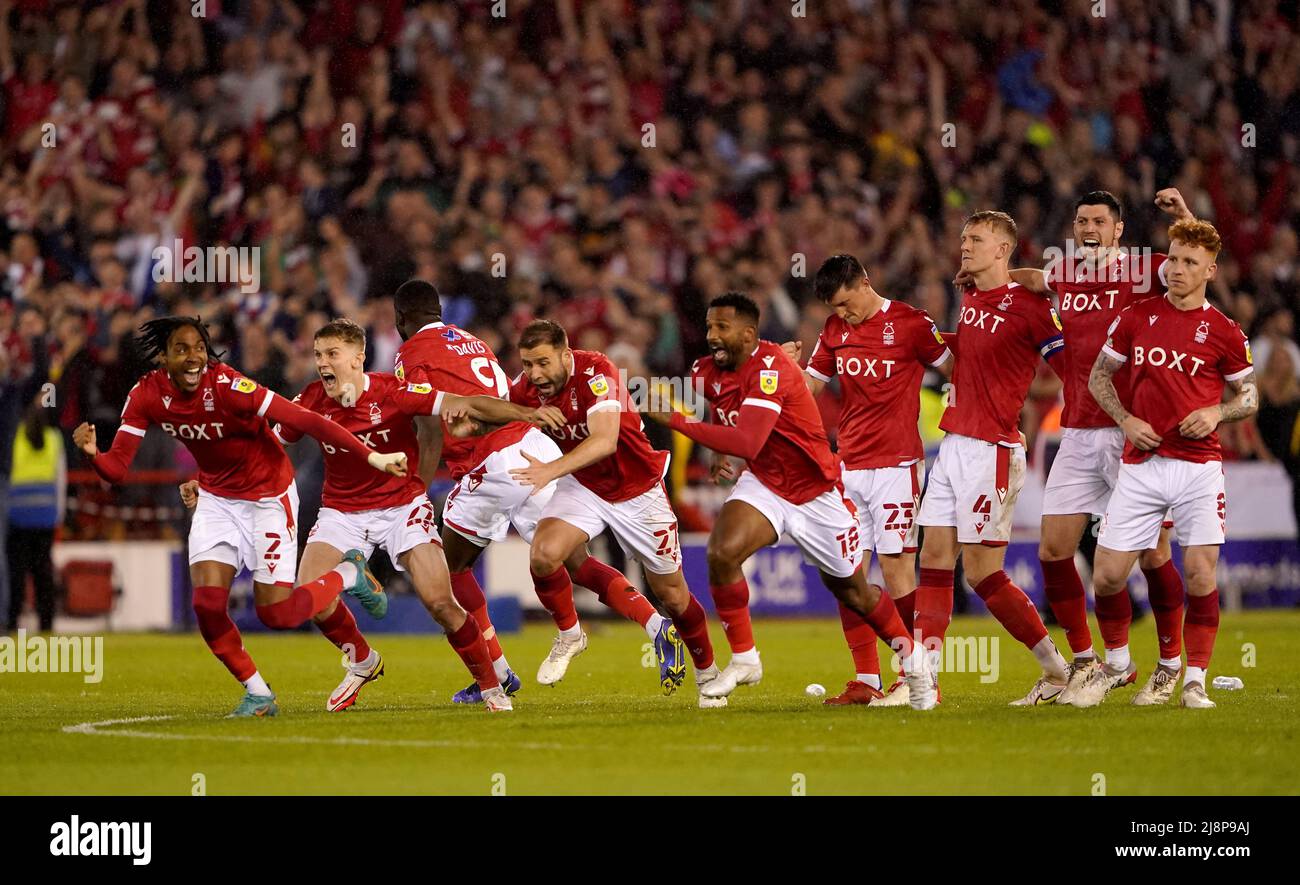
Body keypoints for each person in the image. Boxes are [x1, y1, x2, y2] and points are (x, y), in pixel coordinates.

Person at [182, 318, 550, 711]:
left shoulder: (393, 392)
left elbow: (466, 403)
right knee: (311, 598)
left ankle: (491, 687)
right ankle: (362, 659)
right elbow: (265, 446)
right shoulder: (310, 400)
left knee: (440, 602)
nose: (323, 363)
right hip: (342, 512)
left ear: (358, 358)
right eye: (318, 354)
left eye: (332, 354)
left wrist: (524, 413)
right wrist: (205, 479)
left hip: (401, 508)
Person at [73, 316, 407, 717]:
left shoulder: (229, 385)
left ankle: (351, 574)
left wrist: (372, 455)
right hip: (216, 499)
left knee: (277, 614)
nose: (195, 357)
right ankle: (259, 693)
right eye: (182, 350)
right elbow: (118, 469)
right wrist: (93, 454)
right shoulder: (145, 394)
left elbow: (307, 420)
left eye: (199, 347)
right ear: (163, 357)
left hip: (269, 497)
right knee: (207, 607)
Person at [393, 280, 682, 698]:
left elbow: (428, 430)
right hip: (533, 448)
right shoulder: (471, 341)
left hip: (491, 462)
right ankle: (656, 625)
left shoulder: (410, 354)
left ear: (401, 320)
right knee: (571, 560)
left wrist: (415, 493)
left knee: (451, 568)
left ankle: (495, 673)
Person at [646, 293, 935, 710]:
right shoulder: (705, 370)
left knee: (853, 590)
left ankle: (914, 659)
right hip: (765, 483)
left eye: (721, 328)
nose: (711, 336)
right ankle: (745, 659)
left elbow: (748, 438)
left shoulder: (771, 369)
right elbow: (722, 406)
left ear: (748, 334)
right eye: (709, 327)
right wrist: (716, 450)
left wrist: (677, 421)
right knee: (722, 552)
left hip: (815, 492)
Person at [984, 188, 1196, 704]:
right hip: (1077, 431)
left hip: (1131, 432)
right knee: (1054, 551)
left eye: (1099, 221)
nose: (1088, 229)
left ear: (1118, 229)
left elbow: (1196, 266)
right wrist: (995, 276)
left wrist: (1187, 218)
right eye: (1082, 222)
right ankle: (1088, 663)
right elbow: (1037, 280)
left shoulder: (1145, 270)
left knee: (1152, 553)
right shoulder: (1067, 272)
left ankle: (1169, 662)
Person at [1075, 219, 1257, 709]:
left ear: (1210, 271)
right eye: (1173, 259)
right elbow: (1099, 378)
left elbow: (1250, 395)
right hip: (1142, 463)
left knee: (1200, 572)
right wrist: (1127, 419)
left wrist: (1217, 410)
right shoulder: (1137, 316)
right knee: (1108, 576)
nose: (1176, 269)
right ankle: (1118, 665)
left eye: (1189, 262)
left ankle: (1192, 678)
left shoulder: (1223, 330)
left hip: (1198, 468)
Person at [503, 319, 711, 701]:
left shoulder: (597, 371)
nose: (534, 374)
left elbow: (604, 440)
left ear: (566, 355)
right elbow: (501, 410)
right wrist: (502, 415)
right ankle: (570, 635)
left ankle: (708, 674)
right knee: (545, 556)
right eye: (528, 364)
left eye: (543, 363)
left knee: (674, 595)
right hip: (584, 485)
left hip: (638, 489)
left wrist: (549, 470)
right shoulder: (529, 387)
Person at [914, 211, 1071, 705]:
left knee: (982, 574)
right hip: (952, 444)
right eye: (963, 238)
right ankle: (926, 681)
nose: (965, 246)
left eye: (976, 240)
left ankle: (1057, 668)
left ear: (1003, 249)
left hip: (993, 450)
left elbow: (1069, 365)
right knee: (933, 559)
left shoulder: (1031, 307)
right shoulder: (971, 296)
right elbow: (974, 352)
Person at [788, 254, 952, 705]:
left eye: (846, 303)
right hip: (849, 467)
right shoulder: (834, 330)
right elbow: (812, 387)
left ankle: (918, 678)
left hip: (897, 466)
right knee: (845, 573)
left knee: (898, 570)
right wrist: (782, 373)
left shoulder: (911, 323)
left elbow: (956, 371)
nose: (843, 314)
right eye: (835, 308)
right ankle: (868, 679)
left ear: (864, 282)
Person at [6, 396, 64, 632]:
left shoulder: (14, 437)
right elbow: (61, 479)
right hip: (45, 515)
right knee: (43, 571)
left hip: (17, 514)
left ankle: (11, 621)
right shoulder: (54, 438)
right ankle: (46, 622)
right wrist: (58, 515)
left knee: (16, 572)